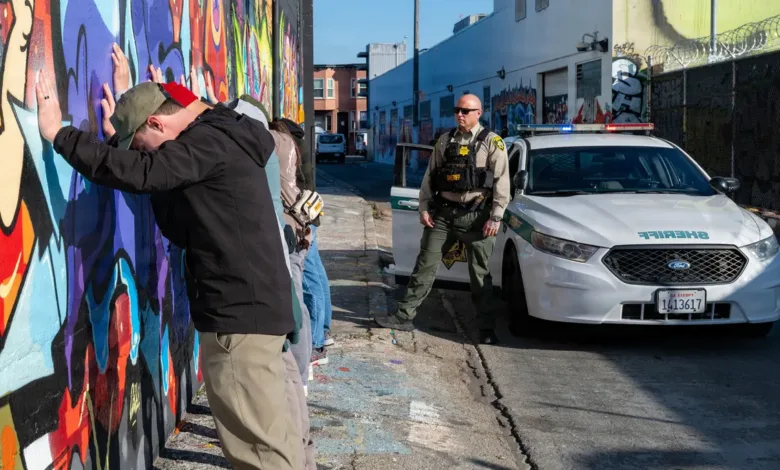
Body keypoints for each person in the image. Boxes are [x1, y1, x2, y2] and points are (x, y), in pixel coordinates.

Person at [35, 72, 301, 469]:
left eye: (145, 145)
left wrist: (59, 134)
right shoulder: (227, 133)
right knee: (272, 444)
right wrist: (137, 106)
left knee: (261, 456)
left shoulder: (204, 144)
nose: (148, 157)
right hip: (257, 312)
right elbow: (170, 205)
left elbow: (142, 174)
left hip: (239, 322)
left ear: (158, 122)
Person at [374, 94, 510, 345]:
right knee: (424, 266)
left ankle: (486, 329)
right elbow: (430, 177)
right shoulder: (445, 141)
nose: (460, 114)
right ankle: (404, 316)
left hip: (477, 218)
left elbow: (503, 183)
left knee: (480, 276)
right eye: (457, 110)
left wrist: (496, 217)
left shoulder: (493, 143)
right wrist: (423, 207)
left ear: (479, 113)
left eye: (466, 111)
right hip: (444, 216)